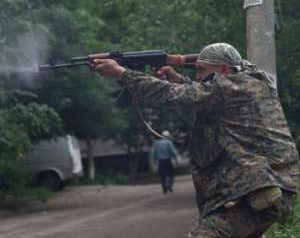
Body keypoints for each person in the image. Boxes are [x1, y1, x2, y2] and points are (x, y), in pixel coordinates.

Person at [92, 43, 299, 238]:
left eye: (201, 70)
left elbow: (174, 95)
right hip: (264, 190)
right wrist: (176, 78)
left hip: (258, 192)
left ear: (224, 70)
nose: (198, 77)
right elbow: (203, 95)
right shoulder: (243, 84)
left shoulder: (230, 87)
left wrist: (121, 73)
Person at [152, 130, 177, 194]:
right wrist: (175, 158)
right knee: (171, 174)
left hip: (160, 162)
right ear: (168, 136)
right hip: (168, 160)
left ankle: (164, 189)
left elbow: (154, 153)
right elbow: (174, 152)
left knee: (162, 176)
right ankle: (169, 185)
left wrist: (154, 160)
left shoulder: (157, 143)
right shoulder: (169, 142)